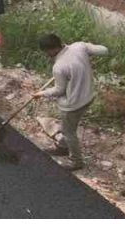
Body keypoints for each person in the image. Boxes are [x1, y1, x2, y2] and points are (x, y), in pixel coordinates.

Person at [35, 34, 109, 170]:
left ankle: (76, 161)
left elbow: (59, 90)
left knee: (69, 132)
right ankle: (63, 148)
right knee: (66, 127)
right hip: (88, 96)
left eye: (46, 52)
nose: (46, 54)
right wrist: (88, 48)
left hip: (73, 103)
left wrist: (42, 93)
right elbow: (104, 50)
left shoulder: (59, 67)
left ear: (51, 50)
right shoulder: (79, 46)